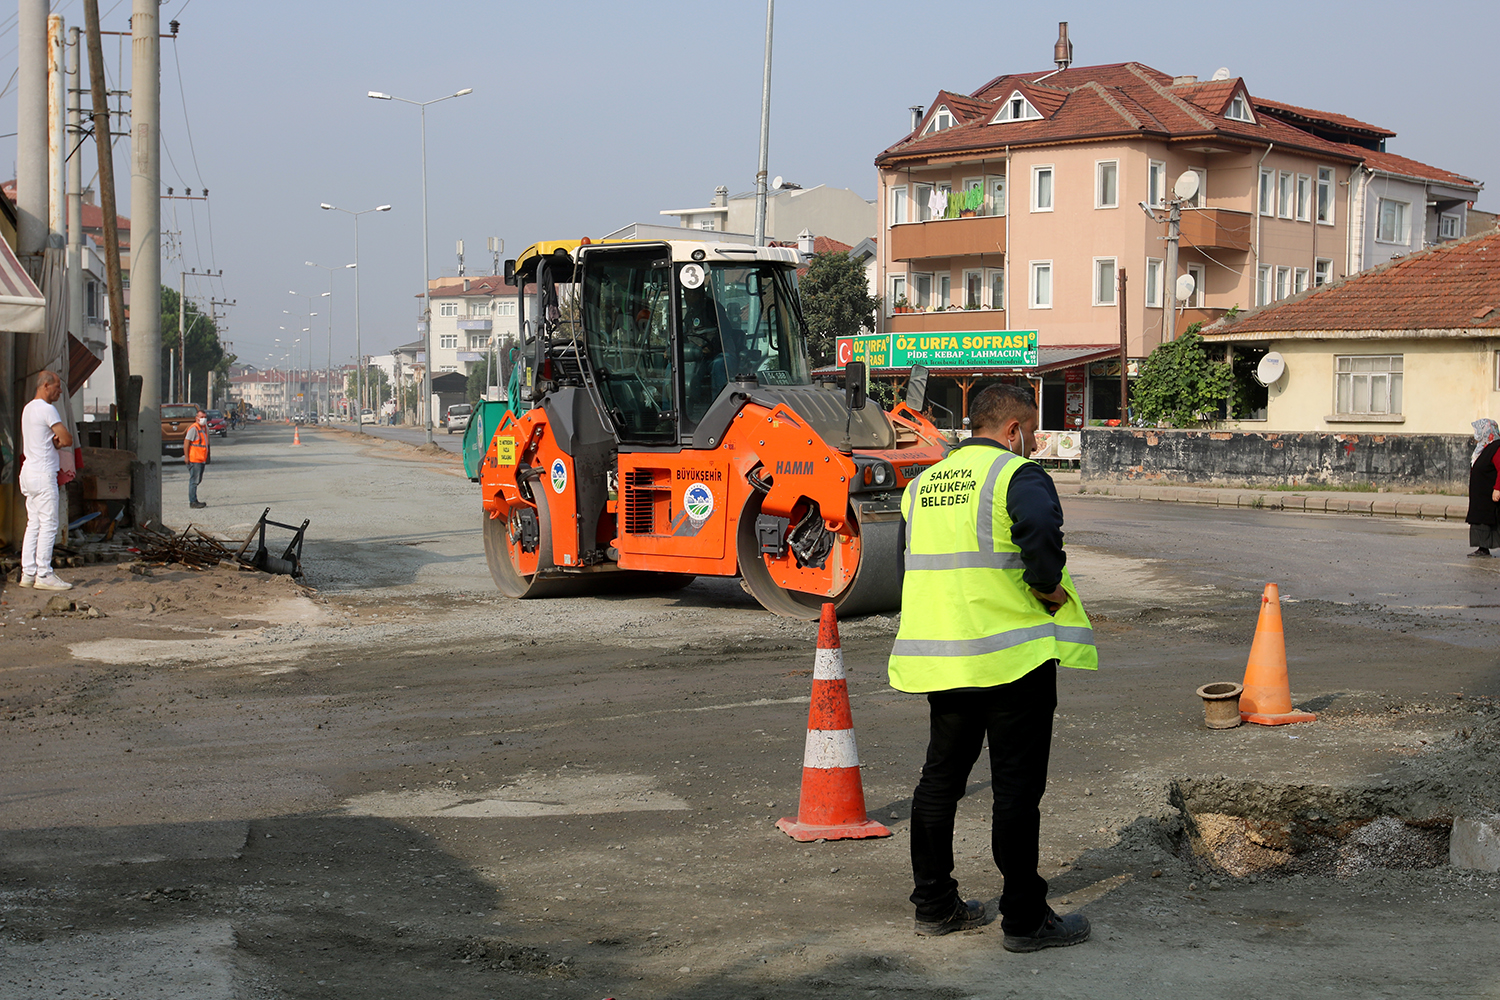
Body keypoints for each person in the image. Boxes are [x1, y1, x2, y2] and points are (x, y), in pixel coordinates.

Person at [887, 383, 1097, 951]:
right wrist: (1047, 587)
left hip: (945, 659)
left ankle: (934, 906)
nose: (1034, 441)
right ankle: (1024, 920)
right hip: (1013, 661)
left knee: (940, 782)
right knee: (1015, 790)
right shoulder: (1016, 477)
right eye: (1031, 429)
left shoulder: (924, 484)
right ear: (1011, 430)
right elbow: (1040, 539)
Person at [19, 370, 73, 591]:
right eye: (57, 386)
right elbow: (67, 438)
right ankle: (44, 573)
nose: (60, 391)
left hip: (28, 472)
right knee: (49, 524)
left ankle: (28, 573)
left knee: (33, 524)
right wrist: (58, 443)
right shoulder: (47, 409)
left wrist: (55, 442)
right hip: (43, 474)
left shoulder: (28, 408)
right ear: (45, 386)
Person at [1466, 418, 1500, 557]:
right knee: (1481, 521)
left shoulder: (1496, 447)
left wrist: (1498, 488)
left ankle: (1484, 548)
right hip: (1481, 496)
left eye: (1478, 431)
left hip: (1489, 495)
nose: (1476, 434)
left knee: (1490, 520)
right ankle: (1483, 548)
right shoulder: (1484, 448)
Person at [184, 408, 211, 509]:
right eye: (201, 417)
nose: (203, 419)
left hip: (201, 460)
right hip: (194, 459)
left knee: (197, 480)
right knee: (194, 481)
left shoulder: (204, 428)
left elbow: (205, 444)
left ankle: (194, 500)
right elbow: (186, 443)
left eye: (204, 417)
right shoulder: (193, 429)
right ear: (196, 418)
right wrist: (186, 457)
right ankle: (193, 502)